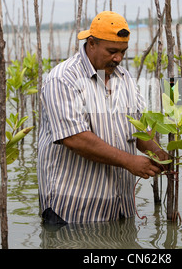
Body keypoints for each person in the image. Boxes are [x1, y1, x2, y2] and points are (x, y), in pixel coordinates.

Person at [37, 11, 167, 225]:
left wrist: (159, 154)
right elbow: (75, 139)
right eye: (112, 51)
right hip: (72, 210)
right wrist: (130, 161)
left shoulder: (125, 78)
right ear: (91, 43)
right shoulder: (63, 79)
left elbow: (139, 129)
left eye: (123, 52)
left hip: (118, 208)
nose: (118, 58)